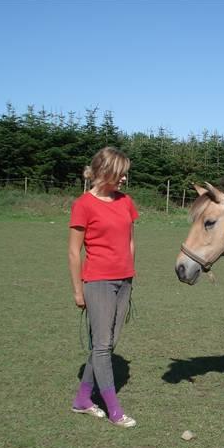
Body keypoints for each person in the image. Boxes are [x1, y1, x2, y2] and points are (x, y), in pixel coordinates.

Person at [68, 147, 138, 428]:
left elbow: (131, 240)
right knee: (102, 345)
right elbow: (74, 252)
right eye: (120, 174)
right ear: (106, 172)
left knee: (107, 344)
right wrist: (77, 290)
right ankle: (114, 410)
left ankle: (83, 399)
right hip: (97, 282)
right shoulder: (83, 204)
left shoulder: (126, 201)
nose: (124, 179)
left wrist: (130, 271)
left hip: (125, 281)